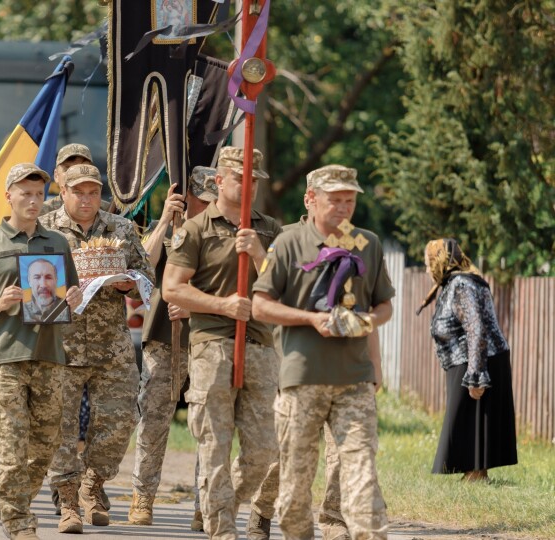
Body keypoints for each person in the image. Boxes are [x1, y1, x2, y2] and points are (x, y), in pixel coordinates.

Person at [252, 164, 394, 540]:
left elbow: (385, 306)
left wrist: (365, 323)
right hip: (302, 379)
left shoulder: (367, 243)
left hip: (354, 381)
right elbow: (261, 306)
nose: (344, 209)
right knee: (296, 487)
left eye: (350, 200)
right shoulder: (288, 242)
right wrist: (309, 319)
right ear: (311, 200)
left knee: (362, 474)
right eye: (335, 201)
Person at [162, 148, 282, 540]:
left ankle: (221, 508)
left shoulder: (269, 230)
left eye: (254, 180)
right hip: (212, 345)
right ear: (219, 181)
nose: (248, 186)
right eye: (240, 178)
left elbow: (285, 290)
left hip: (261, 347)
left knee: (264, 450)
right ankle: (222, 530)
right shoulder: (195, 229)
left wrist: (260, 255)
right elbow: (172, 290)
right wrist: (224, 305)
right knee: (214, 445)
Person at [0, 163, 82, 540]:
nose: (33, 200)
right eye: (25, 193)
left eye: (38, 193)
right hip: (6, 359)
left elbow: (69, 299)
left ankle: (10, 501)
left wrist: (75, 299)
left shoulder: (58, 243)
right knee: (11, 448)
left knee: (43, 448)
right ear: (8, 195)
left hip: (50, 357)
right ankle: (19, 524)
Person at [40, 163, 153, 534]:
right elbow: (32, 287)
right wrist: (60, 294)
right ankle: (68, 502)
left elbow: (146, 274)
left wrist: (129, 286)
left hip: (112, 347)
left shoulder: (119, 228)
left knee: (120, 420)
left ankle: (93, 485)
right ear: (64, 192)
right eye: (79, 192)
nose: (87, 200)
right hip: (61, 343)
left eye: (93, 192)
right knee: (61, 427)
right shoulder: (47, 228)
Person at [129, 166, 215, 525]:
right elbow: (138, 276)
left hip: (210, 335)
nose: (207, 207)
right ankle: (142, 497)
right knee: (153, 418)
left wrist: (194, 303)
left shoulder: (222, 234)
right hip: (165, 335)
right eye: (201, 200)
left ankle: (204, 504)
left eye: (212, 200)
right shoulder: (169, 232)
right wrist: (165, 219)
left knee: (209, 423)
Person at [420, 238, 517, 481]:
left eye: (428, 262)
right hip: (469, 359)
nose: (426, 269)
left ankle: (476, 473)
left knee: (470, 418)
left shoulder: (462, 283)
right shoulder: (455, 282)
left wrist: (476, 374)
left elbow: (476, 327)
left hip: (477, 360)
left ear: (440, 261)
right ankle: (474, 473)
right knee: (465, 420)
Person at [39, 143, 94, 216]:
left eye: (80, 168)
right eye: (67, 169)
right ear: (56, 176)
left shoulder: (108, 210)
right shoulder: (40, 213)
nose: (74, 174)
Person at [21, 258, 67, 323]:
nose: (43, 285)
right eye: (37, 277)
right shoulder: (22, 310)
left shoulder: (68, 307)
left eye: (48, 277)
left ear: (56, 280)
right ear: (29, 281)